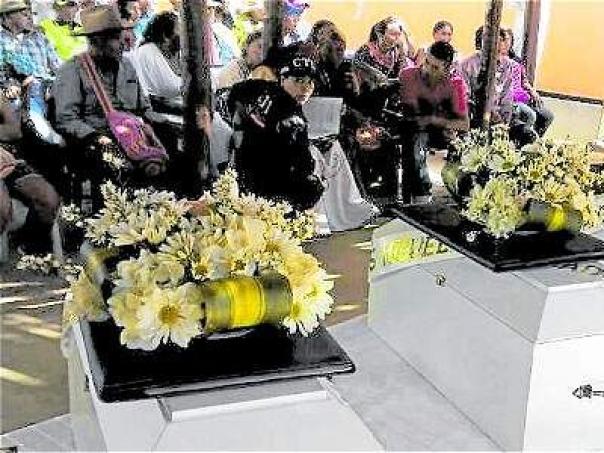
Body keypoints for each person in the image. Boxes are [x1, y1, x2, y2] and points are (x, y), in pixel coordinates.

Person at [52, 4, 164, 201]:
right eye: (117, 38)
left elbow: (144, 107)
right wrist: (96, 137)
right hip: (97, 140)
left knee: (177, 153)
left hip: (134, 135)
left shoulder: (127, 65)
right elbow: (66, 119)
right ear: (97, 41)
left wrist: (161, 123)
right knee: (122, 169)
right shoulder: (72, 70)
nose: (124, 43)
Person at [227, 46, 324, 211]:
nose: (306, 88)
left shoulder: (258, 87)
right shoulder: (292, 114)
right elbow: (303, 163)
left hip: (243, 175)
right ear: (282, 79)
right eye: (299, 80)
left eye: (310, 82)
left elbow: (236, 92)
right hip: (267, 188)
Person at [398, 41, 469, 202]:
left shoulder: (456, 84)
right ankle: (421, 195)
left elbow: (464, 124)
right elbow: (406, 110)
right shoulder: (408, 75)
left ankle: (461, 193)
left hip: (441, 131)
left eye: (435, 67)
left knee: (465, 145)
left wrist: (434, 120)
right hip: (413, 128)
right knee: (415, 136)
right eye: (426, 62)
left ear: (447, 69)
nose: (427, 70)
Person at [0, 92, 60, 254]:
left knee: (48, 198)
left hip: (10, 164)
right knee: (2, 208)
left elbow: (14, 130)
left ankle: (31, 248)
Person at [458, 26, 515, 127]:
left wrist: (504, 122)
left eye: (502, 40)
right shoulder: (467, 64)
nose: (497, 56)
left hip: (499, 117)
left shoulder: (507, 65)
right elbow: (465, 96)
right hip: (475, 115)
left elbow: (507, 96)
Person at [504, 28, 553, 137]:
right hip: (511, 99)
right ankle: (523, 140)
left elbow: (524, 81)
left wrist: (532, 92)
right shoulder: (498, 61)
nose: (506, 42)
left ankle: (535, 139)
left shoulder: (516, 60)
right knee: (530, 115)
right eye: (503, 39)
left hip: (523, 96)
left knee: (547, 116)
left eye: (508, 39)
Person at [130, 11, 181, 98]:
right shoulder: (146, 52)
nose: (182, 34)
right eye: (179, 29)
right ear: (165, 36)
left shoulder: (175, 51)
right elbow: (168, 88)